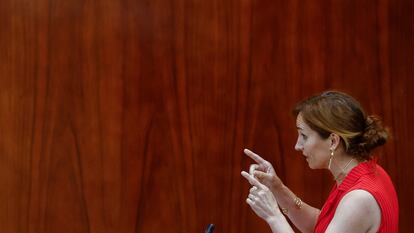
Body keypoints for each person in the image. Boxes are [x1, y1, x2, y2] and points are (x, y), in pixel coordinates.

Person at [241, 91, 399, 233]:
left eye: (304, 136)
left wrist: (273, 216)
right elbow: (323, 225)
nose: (297, 146)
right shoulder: (367, 171)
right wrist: (278, 188)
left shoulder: (359, 198)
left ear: (333, 141)